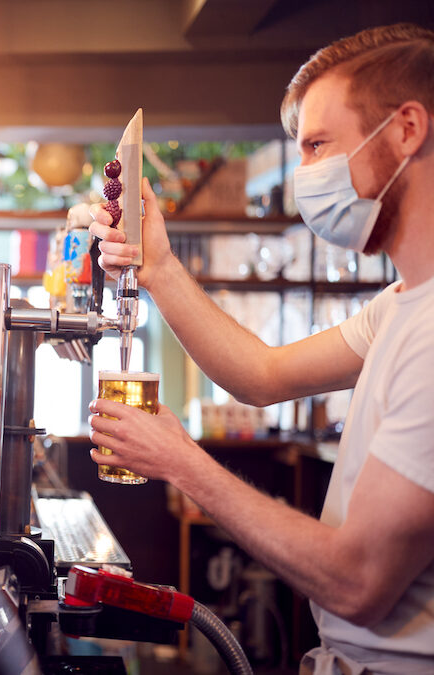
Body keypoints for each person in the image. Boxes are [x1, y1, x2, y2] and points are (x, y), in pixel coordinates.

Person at [88, 24, 434, 672]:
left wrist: (184, 463)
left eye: (318, 146)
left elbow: (358, 582)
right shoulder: (402, 303)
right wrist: (159, 265)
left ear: (406, 130)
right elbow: (261, 374)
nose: (305, 176)